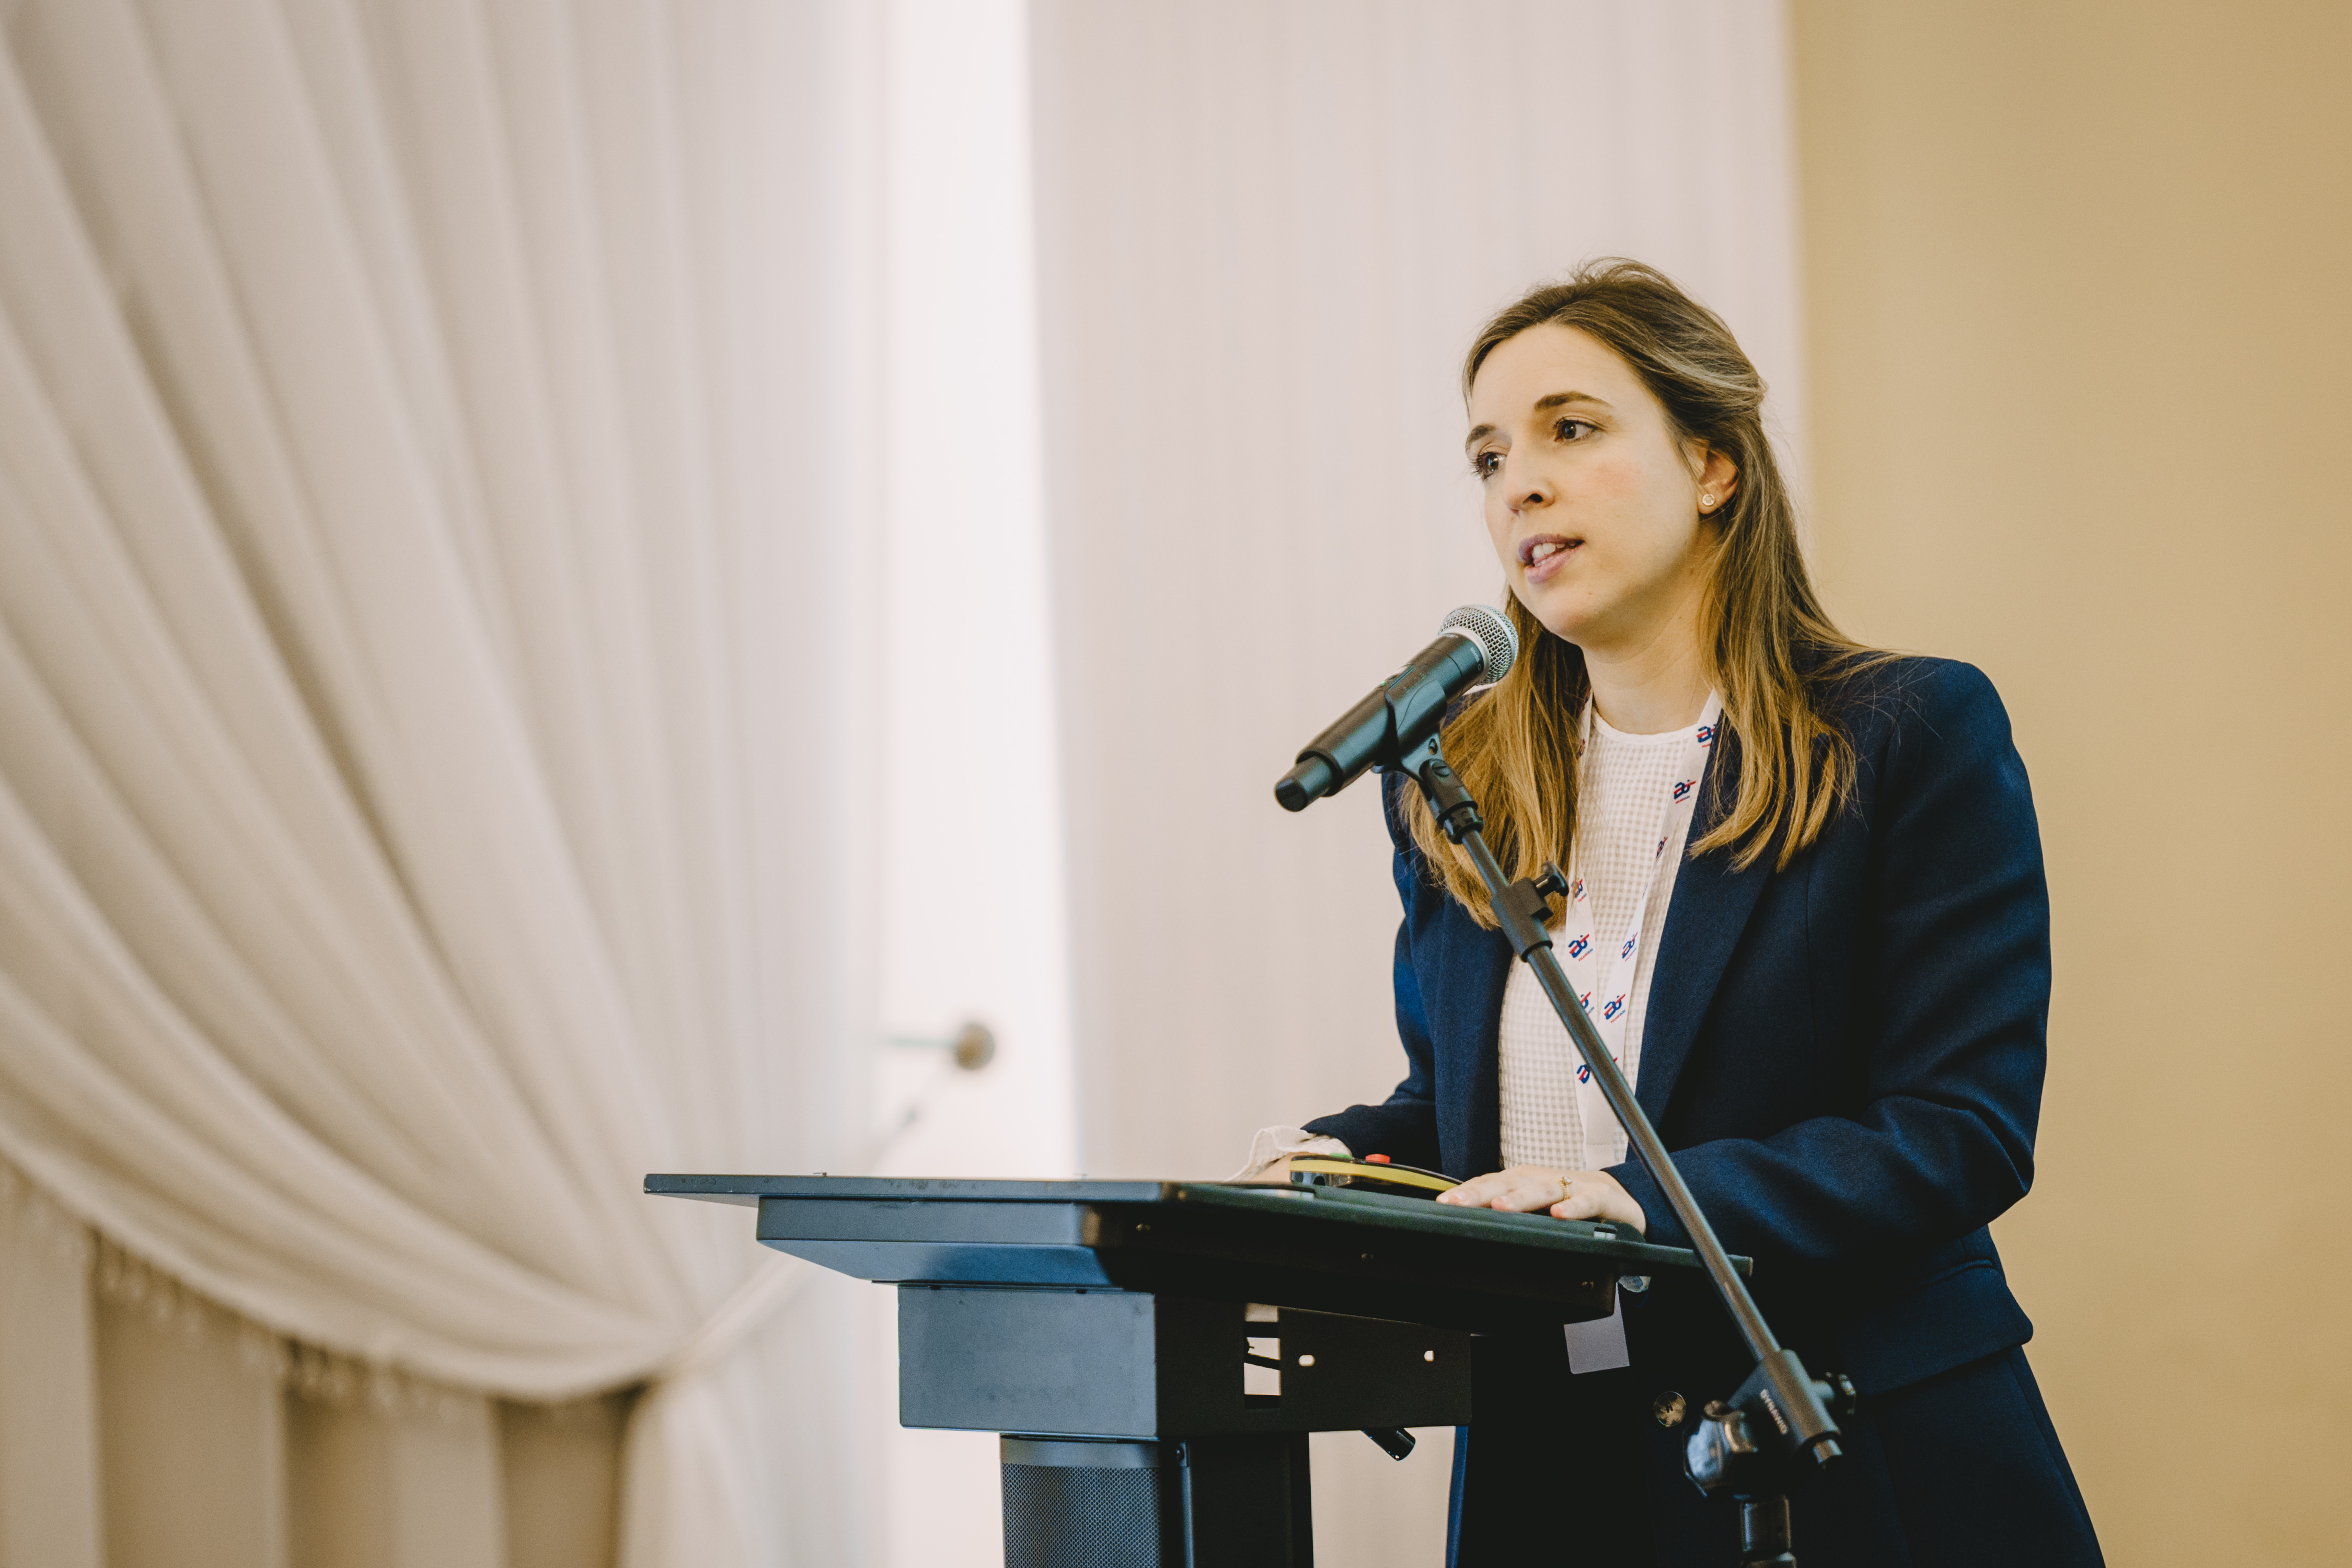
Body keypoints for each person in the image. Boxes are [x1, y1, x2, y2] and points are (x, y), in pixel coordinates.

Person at [1239, 261, 2104, 1565]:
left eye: (1570, 430)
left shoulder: (1905, 735)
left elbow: (1957, 1130)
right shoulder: (1458, 785)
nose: (1519, 486)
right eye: (1489, 457)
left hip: (1842, 1443)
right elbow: (1469, 1116)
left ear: (1713, 465)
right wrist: (1331, 1168)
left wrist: (1636, 1197)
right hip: (1554, 1462)